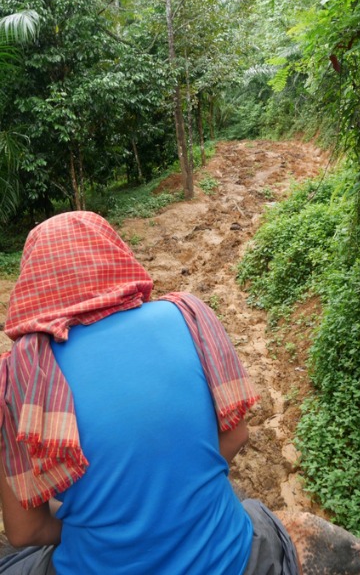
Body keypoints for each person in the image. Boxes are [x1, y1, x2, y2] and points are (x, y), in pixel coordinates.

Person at [0, 211, 302, 574]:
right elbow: (237, 435)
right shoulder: (189, 316)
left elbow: (25, 530)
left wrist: (110, 520)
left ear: (36, 282)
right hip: (232, 559)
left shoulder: (21, 376)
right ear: (113, 254)